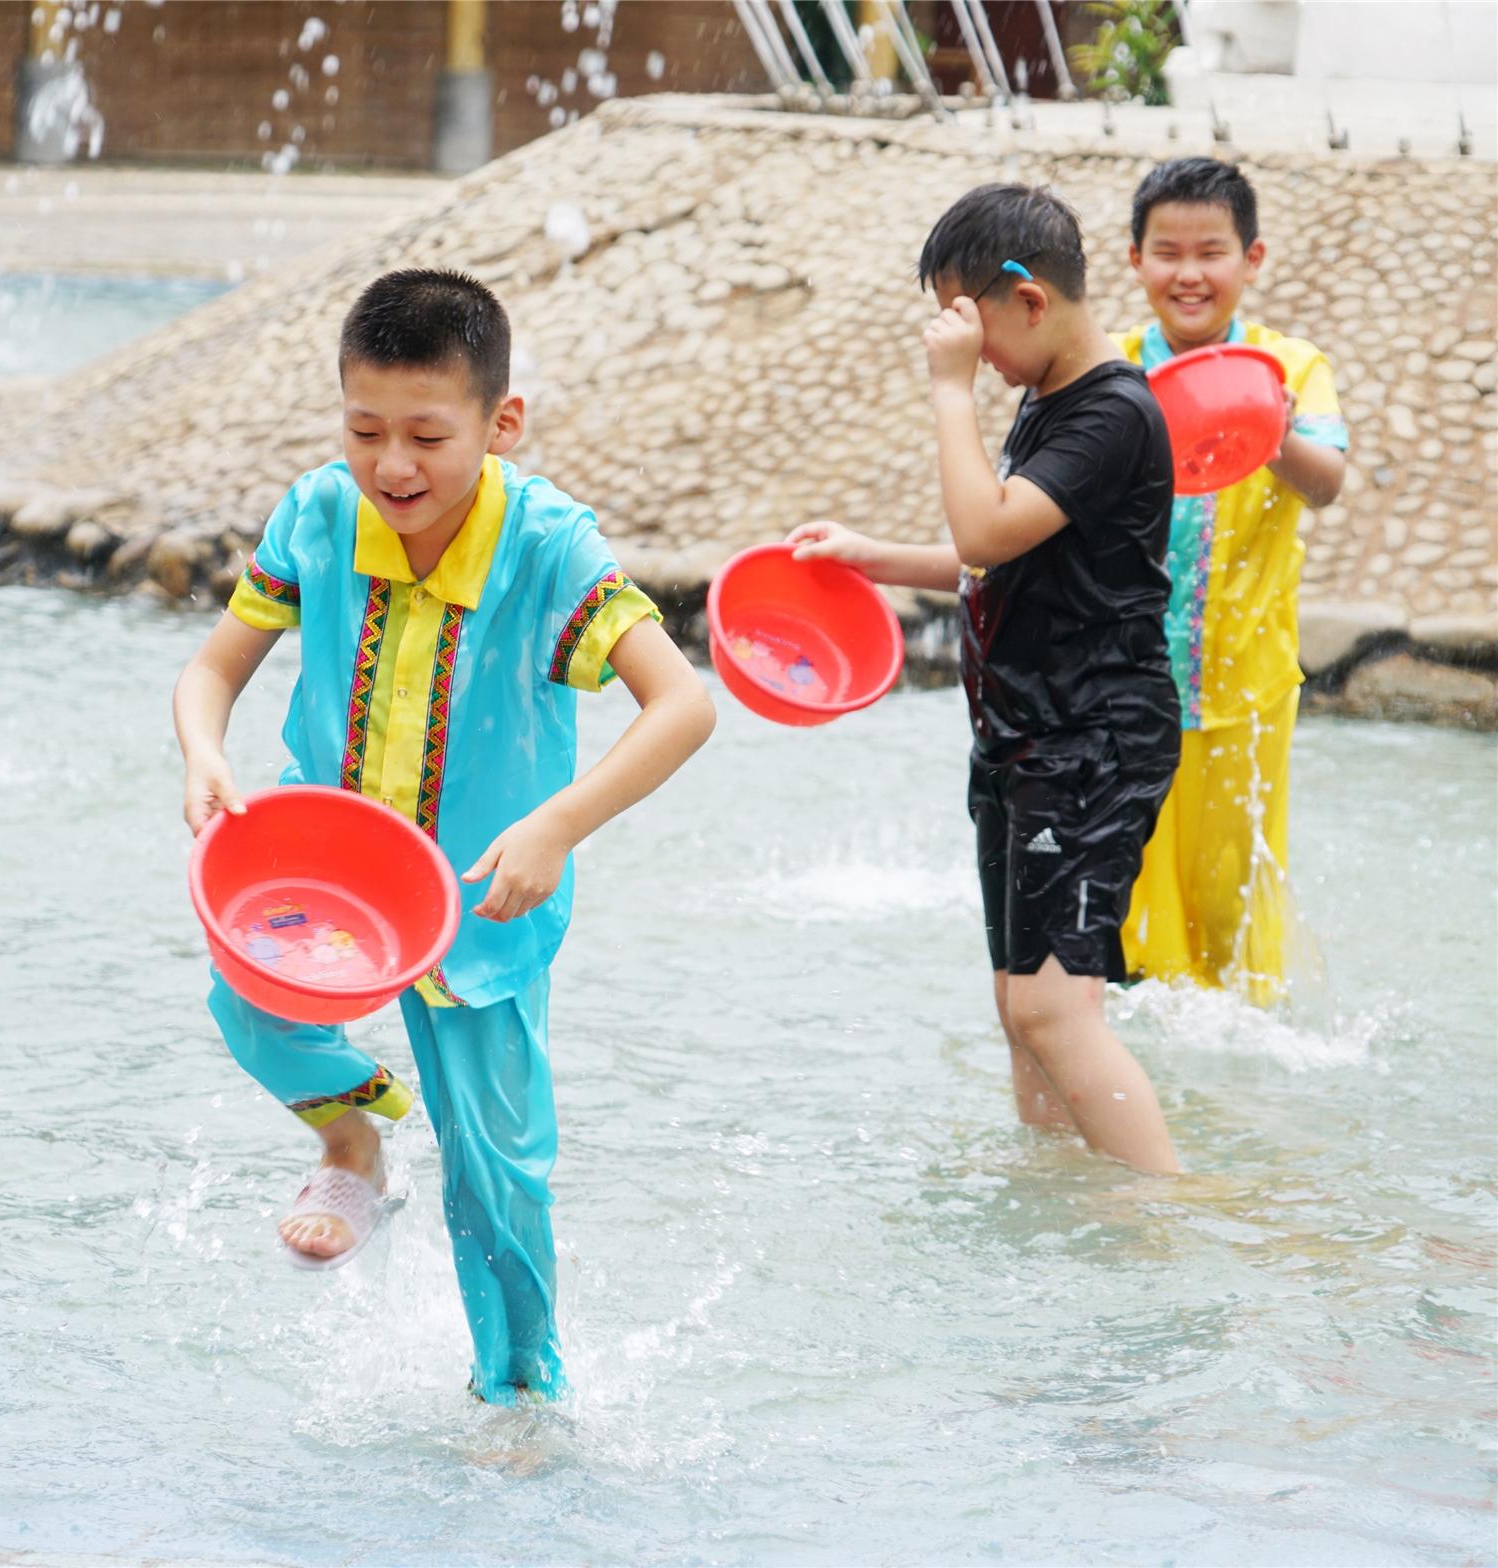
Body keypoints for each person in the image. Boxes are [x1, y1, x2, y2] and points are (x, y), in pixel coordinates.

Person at [173, 269, 716, 1402]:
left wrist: (556, 826)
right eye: (365, 430)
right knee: (247, 1004)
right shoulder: (320, 512)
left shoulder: (551, 544)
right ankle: (353, 1144)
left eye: (427, 434)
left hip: (484, 901)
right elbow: (213, 667)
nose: (392, 466)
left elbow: (685, 705)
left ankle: (518, 1393)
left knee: (498, 1175)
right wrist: (204, 750)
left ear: (500, 421)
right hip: (322, 878)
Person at [787, 186, 1184, 1174]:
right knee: (1022, 1003)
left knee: (1054, 1000)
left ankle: (1167, 1204)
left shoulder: (1114, 413)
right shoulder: (1053, 404)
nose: (966, 345)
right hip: (1025, 735)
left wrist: (950, 390)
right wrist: (870, 555)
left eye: (968, 320)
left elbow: (984, 528)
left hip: (1094, 737)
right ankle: (1060, 1183)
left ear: (1030, 298)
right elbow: (996, 553)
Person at [1117, 158, 1349, 1004]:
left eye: (1210, 252)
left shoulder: (1291, 366)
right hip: (1120, 697)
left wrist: (1272, 429)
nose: (1188, 274)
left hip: (1244, 697)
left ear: (1252, 260)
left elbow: (1325, 482)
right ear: (1133, 260)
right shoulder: (1106, 368)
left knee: (1230, 930)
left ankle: (1223, 1116)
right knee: (1130, 932)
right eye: (1166, 252)